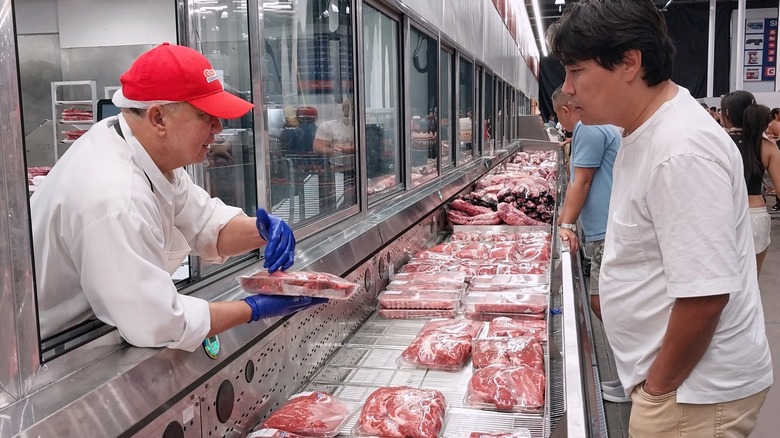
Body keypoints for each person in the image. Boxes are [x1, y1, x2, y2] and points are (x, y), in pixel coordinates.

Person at [548, 1, 772, 437]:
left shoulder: (681, 150)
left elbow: (705, 297)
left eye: (576, 71)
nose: (568, 89)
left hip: (693, 396)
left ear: (630, 62)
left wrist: (657, 392)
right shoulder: (643, 130)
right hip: (681, 389)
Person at [30, 43, 326, 352]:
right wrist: (254, 308)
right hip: (56, 352)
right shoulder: (115, 195)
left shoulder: (142, 148)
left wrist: (261, 231)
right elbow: (156, 323)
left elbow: (204, 223)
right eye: (206, 116)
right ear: (158, 118)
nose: (219, 128)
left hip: (96, 330)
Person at [552, 85, 625, 402]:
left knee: (603, 302)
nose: (561, 125)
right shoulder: (598, 126)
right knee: (608, 301)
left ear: (566, 111)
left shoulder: (588, 128)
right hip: (607, 225)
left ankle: (634, 375)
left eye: (559, 119)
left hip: (605, 229)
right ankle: (629, 375)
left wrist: (565, 223)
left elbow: (581, 180)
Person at [720, 91, 780, 274]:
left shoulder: (719, 143)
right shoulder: (767, 146)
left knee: (722, 283)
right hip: (756, 214)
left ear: (727, 114)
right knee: (752, 282)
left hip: (723, 215)